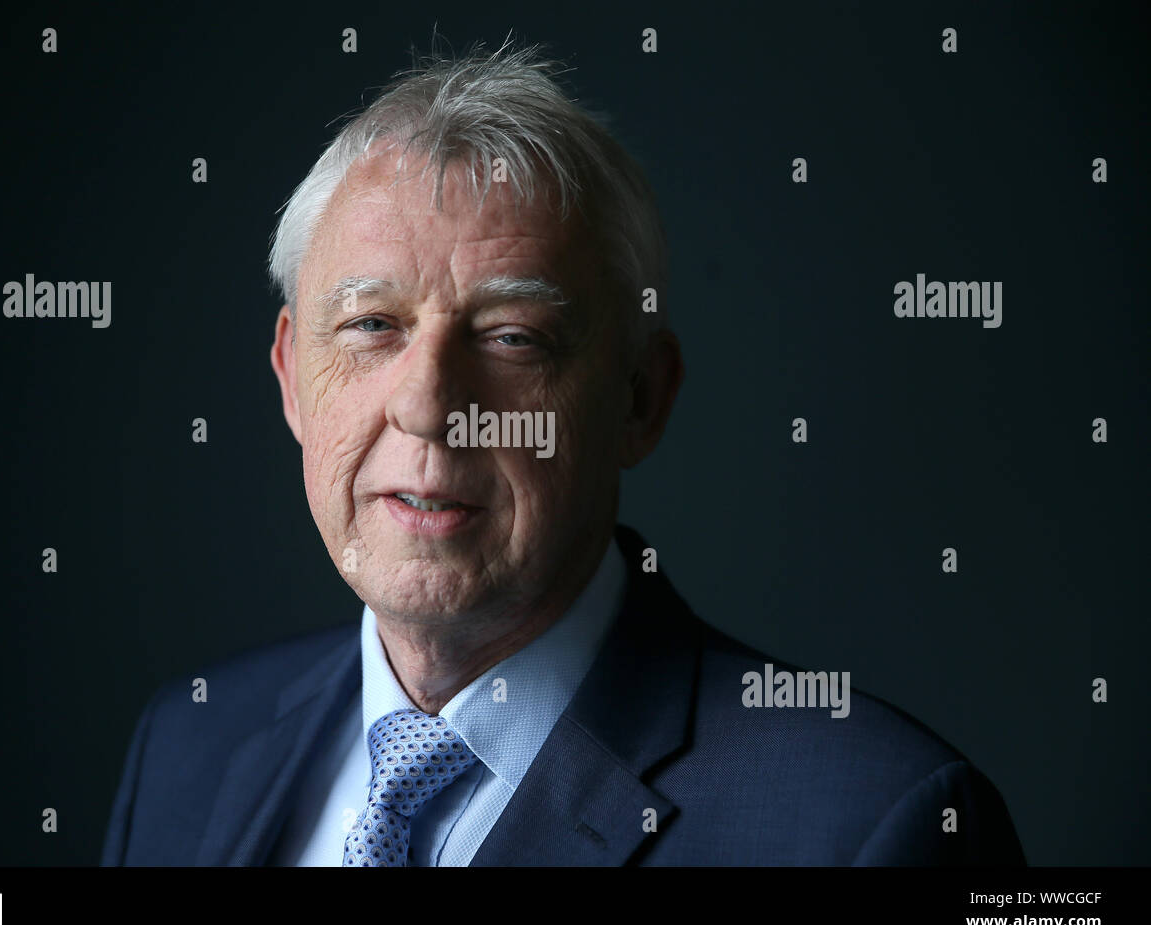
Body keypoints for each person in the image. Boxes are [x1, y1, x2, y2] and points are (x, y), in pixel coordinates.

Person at [102, 41, 1025, 866]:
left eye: (511, 337)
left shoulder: (876, 826)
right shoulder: (187, 744)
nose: (428, 409)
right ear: (292, 380)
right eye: (372, 326)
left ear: (639, 398)